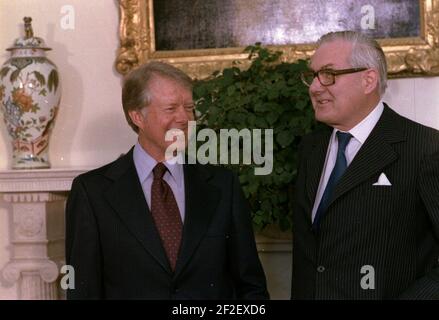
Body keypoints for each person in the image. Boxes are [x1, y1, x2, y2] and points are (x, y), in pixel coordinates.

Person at [65, 61, 269, 299]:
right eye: (171, 108)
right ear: (137, 116)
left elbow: (251, 286)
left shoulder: (224, 186)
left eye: (189, 107)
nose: (184, 118)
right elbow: (82, 291)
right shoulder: (92, 192)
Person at [291, 31, 439, 299]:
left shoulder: (425, 148)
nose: (314, 87)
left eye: (328, 74)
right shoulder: (311, 150)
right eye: (312, 75)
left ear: (368, 79)